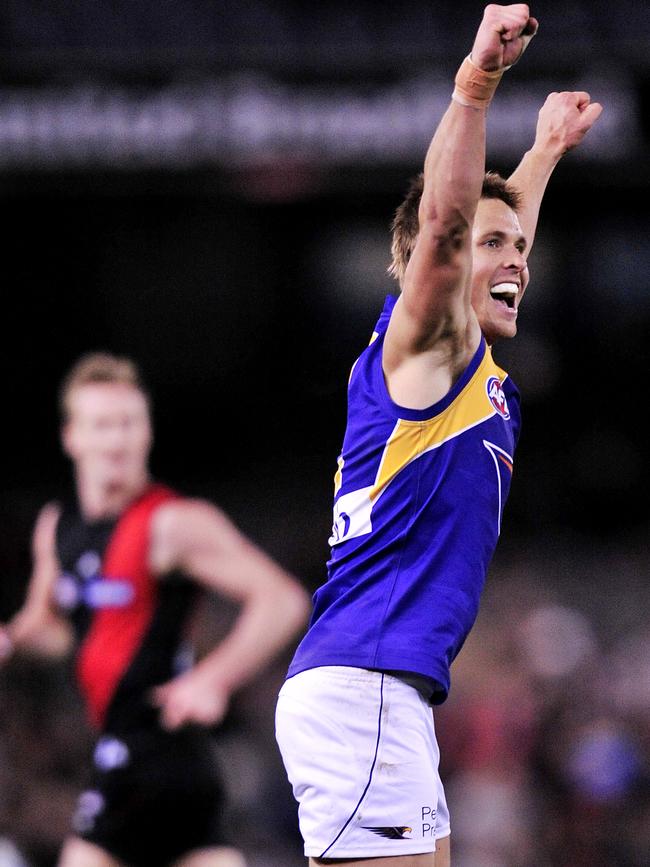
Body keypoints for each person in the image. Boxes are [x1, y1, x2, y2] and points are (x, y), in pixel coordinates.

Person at [275, 5, 603, 866]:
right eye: (494, 246)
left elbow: (495, 227)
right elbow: (454, 226)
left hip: (384, 694)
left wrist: (544, 153)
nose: (518, 262)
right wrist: (477, 82)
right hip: (365, 686)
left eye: (523, 248)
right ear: (439, 268)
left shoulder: (464, 366)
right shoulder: (423, 347)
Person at [0, 352, 310, 867]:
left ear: (147, 432)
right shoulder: (57, 528)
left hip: (165, 751)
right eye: (102, 425)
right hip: (123, 749)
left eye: (129, 424)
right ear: (71, 436)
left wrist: (213, 678)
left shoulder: (172, 524)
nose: (117, 440)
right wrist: (11, 638)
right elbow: (52, 631)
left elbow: (281, 599)